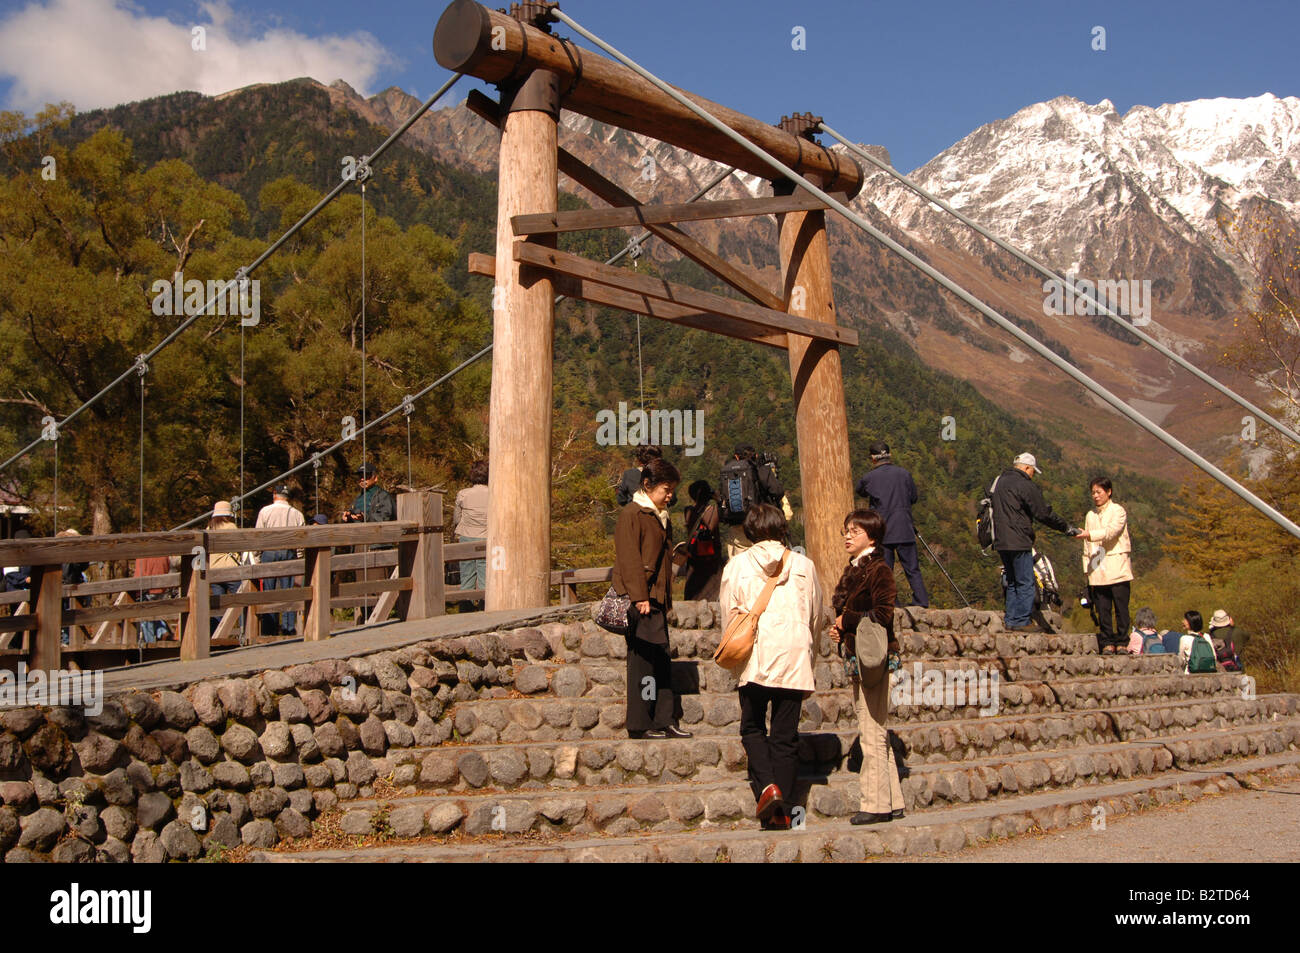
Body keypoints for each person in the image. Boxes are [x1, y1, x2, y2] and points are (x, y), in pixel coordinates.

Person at [720, 503, 826, 830]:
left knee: (752, 726)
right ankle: (782, 811)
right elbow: (816, 616)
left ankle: (768, 787)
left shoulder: (736, 566)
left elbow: (729, 615)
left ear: (749, 530)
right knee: (785, 735)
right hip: (794, 652)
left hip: (756, 652)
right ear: (782, 528)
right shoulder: (805, 566)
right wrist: (811, 653)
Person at [831, 509, 905, 825]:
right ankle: (894, 800)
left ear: (871, 537)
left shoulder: (878, 570)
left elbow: (882, 614)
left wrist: (845, 620)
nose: (848, 535)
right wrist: (841, 628)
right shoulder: (856, 569)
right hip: (858, 656)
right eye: (846, 530)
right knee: (874, 726)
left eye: (855, 531)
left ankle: (875, 804)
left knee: (870, 728)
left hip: (873, 658)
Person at [612, 456, 690, 740]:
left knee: (661, 660)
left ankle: (663, 719)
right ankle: (641, 722)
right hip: (642, 600)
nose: (670, 495)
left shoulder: (659, 515)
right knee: (643, 663)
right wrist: (639, 596)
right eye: (666, 489)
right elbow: (629, 558)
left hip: (656, 598)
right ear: (648, 485)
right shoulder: (633, 514)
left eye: (672, 490)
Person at [987, 452, 1082, 632]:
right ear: (1027, 468)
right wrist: (1066, 528)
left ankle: (1011, 619)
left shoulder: (999, 482)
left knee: (1013, 580)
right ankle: (1021, 621)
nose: (1032, 475)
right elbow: (1043, 513)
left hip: (1001, 540)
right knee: (1025, 581)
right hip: (1019, 539)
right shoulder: (1024, 484)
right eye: (1032, 472)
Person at [855, 441, 928, 608]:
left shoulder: (869, 478)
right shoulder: (904, 474)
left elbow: (860, 490)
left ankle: (890, 602)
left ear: (873, 458)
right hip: (904, 527)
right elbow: (913, 498)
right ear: (889, 455)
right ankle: (921, 601)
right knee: (912, 568)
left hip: (883, 530)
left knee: (886, 570)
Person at [1080, 477, 1133, 655]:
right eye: (1093, 492)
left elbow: (1111, 532)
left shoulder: (1118, 511)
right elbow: (1087, 547)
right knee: (1102, 608)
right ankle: (1107, 641)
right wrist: (1086, 569)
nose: (1095, 496)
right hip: (1097, 566)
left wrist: (1089, 534)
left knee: (1120, 607)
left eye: (1099, 492)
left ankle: (1123, 641)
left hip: (1117, 565)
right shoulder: (1090, 515)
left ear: (1108, 492)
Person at [720, 445, 788, 558]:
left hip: (737, 526)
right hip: (760, 526)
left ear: (736, 457)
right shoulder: (762, 470)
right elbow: (778, 492)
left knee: (742, 565)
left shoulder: (727, 473)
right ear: (756, 456)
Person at [255, 484, 305, 636]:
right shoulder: (297, 514)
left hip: (269, 553)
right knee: (288, 592)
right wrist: (299, 557)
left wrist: (257, 557)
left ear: (274, 494)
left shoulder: (265, 511)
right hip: (288, 552)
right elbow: (302, 540)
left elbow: (257, 537)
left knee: (269, 593)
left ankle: (269, 628)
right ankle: (288, 628)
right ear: (288, 497)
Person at [453, 459, 489, 612]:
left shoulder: (463, 494)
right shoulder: (495, 493)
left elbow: (456, 518)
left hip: (466, 536)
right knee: (485, 576)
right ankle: (484, 608)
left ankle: (465, 609)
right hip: (487, 536)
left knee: (467, 575)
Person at [680, 480, 722, 601]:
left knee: (693, 594)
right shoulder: (713, 510)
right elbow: (716, 522)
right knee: (711, 595)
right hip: (711, 558)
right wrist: (718, 499)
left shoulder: (688, 510)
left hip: (694, 557)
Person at [207, 501, 243, 636]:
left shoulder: (210, 529)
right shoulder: (231, 527)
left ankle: (216, 636)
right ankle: (244, 631)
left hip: (215, 572)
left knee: (218, 606)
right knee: (238, 603)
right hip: (231, 571)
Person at [134, 552, 174, 643]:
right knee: (154, 613)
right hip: (161, 589)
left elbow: (139, 574)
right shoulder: (163, 554)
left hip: (147, 590)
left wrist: (135, 592)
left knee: (146, 619)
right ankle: (163, 632)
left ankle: (150, 643)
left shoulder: (142, 556)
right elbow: (167, 567)